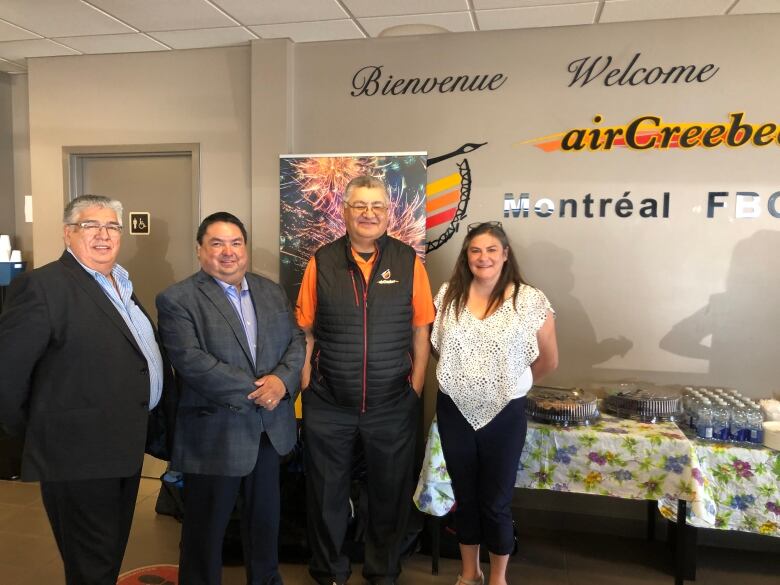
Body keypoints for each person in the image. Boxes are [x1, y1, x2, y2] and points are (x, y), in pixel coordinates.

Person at [0, 194, 173, 585]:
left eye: (112, 226)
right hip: (76, 456)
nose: (103, 235)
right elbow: (7, 376)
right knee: (91, 565)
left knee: (106, 558)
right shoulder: (42, 286)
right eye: (90, 226)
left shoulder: (121, 283)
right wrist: (43, 436)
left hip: (121, 451)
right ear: (68, 233)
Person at [296, 175, 435, 585]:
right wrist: (306, 389)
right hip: (329, 402)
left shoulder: (409, 262)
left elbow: (421, 332)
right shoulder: (321, 262)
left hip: (391, 403)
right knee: (325, 497)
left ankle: (383, 570)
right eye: (360, 206)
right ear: (345, 211)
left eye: (377, 206)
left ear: (388, 213)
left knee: (389, 495)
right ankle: (328, 571)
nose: (369, 214)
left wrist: (414, 390)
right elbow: (304, 331)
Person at [156, 212, 305, 585]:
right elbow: (191, 362)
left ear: (246, 248)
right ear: (200, 250)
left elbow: (296, 342)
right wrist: (261, 391)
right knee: (205, 533)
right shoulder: (178, 299)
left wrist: (282, 383)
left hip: (268, 432)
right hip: (214, 432)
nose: (228, 252)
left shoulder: (270, 291)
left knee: (265, 524)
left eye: (235, 243)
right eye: (217, 243)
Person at [431, 221, 558, 585]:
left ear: (505, 254)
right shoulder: (447, 297)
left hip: (506, 413)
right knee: (465, 498)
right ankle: (470, 573)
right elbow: (440, 349)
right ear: (466, 256)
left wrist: (504, 382)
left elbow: (548, 359)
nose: (482, 257)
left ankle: (499, 577)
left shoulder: (530, 300)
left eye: (491, 250)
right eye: (475, 250)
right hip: (454, 411)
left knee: (496, 501)